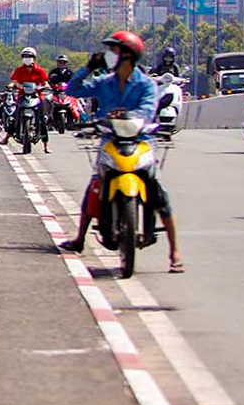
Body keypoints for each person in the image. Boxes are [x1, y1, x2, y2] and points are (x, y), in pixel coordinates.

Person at [60, 30, 184, 272]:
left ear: (128, 55)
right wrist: (88, 68)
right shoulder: (104, 82)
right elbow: (73, 90)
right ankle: (80, 237)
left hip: (141, 141)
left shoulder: (147, 84)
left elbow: (148, 110)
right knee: (95, 185)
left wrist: (130, 116)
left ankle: (174, 251)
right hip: (110, 140)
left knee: (157, 189)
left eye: (114, 51)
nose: (109, 55)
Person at [0, 46, 51, 150]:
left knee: (43, 119)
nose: (28, 58)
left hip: (37, 97)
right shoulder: (19, 70)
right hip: (22, 96)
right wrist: (11, 85)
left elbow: (45, 82)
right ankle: (6, 138)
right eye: (25, 56)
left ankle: (46, 145)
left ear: (34, 58)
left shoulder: (40, 71)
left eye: (30, 56)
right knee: (14, 117)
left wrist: (45, 86)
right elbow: (14, 81)